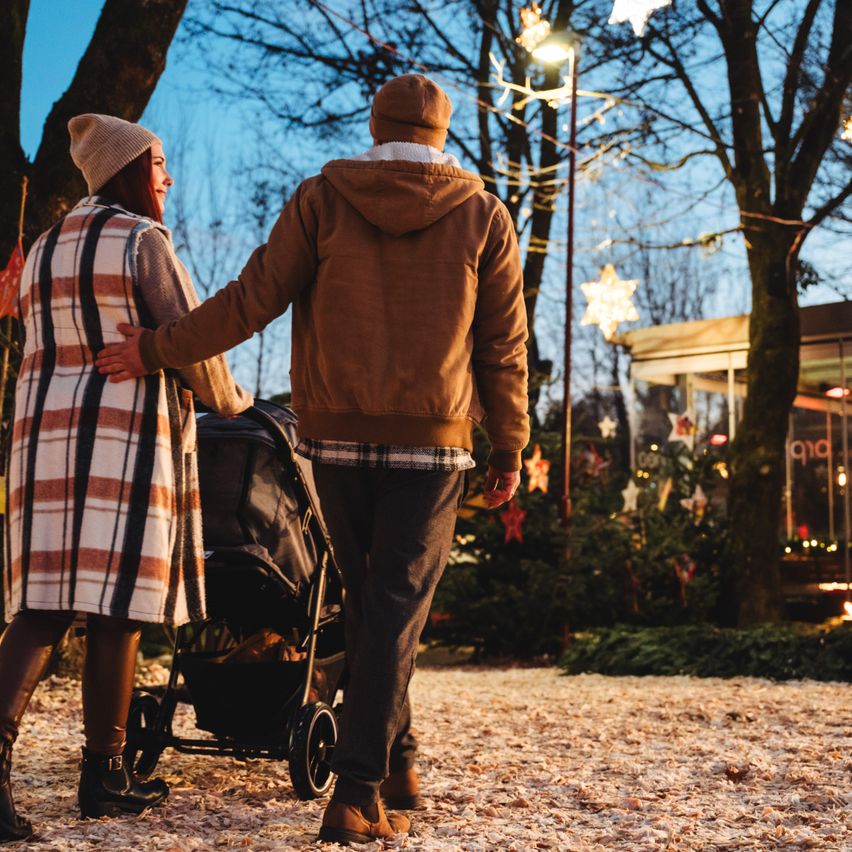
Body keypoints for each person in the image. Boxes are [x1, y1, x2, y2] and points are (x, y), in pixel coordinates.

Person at [96, 74, 529, 845]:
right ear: (442, 132)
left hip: (330, 436)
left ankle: (398, 758)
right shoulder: (483, 214)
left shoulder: (323, 199)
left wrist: (161, 347)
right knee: (396, 606)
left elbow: (250, 297)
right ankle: (358, 790)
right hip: (433, 445)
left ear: (375, 124)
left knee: (370, 605)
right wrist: (509, 446)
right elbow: (503, 348)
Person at [0, 114, 251, 843]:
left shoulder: (45, 245)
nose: (166, 177)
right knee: (117, 608)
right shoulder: (142, 241)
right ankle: (103, 773)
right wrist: (233, 402)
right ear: (130, 170)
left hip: (44, 445)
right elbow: (192, 336)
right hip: (123, 442)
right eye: (159, 163)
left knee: (41, 605)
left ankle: (101, 775)